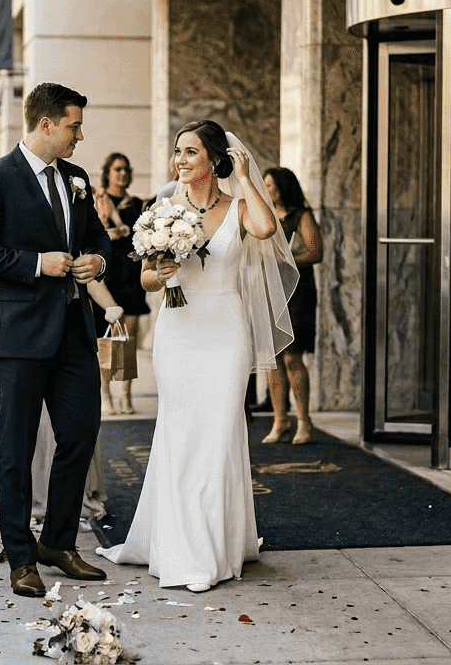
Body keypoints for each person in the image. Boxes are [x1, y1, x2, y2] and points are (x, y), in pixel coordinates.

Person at [96, 119, 297, 593]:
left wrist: (246, 175)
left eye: (190, 152)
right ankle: (183, 547)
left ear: (213, 160)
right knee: (181, 437)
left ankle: (216, 546)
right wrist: (160, 272)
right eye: (177, 152)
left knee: (220, 436)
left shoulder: (239, 206)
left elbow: (267, 228)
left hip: (226, 333)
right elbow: (145, 279)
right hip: (178, 333)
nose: (180, 161)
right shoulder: (162, 208)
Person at [0, 82, 112, 598]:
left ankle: (59, 542)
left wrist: (97, 259)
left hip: (73, 330)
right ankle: (21, 558)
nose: (79, 136)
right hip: (19, 337)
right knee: (17, 450)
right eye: (73, 125)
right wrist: (34, 264)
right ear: (45, 125)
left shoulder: (77, 179)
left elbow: (97, 236)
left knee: (80, 434)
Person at [32, 281, 126, 527]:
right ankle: (39, 496)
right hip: (32, 329)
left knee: (78, 424)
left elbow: (89, 275)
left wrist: (110, 306)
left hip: (73, 330)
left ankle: (70, 499)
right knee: (41, 424)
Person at [259, 166, 322, 445]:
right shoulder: (263, 215)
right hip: (270, 290)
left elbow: (314, 251)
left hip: (297, 292)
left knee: (292, 357)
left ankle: (304, 421)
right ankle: (280, 420)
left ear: (284, 187)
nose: (267, 189)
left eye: (271, 185)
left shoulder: (301, 215)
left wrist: (282, 259)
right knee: (272, 359)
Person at [92, 152, 151, 414]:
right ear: (107, 173)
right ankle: (106, 394)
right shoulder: (97, 202)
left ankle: (126, 395)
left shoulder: (137, 205)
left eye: (126, 169)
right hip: (107, 278)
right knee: (107, 341)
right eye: (117, 169)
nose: (122, 174)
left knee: (128, 341)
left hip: (131, 277)